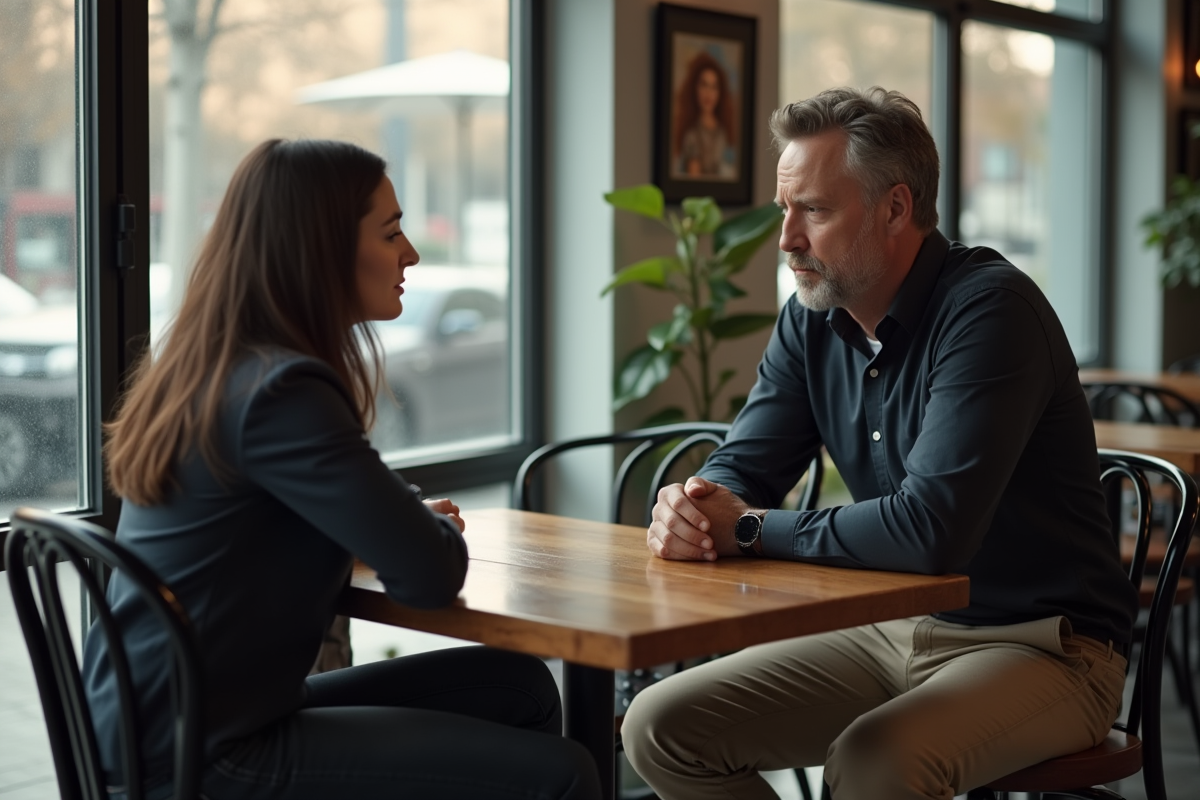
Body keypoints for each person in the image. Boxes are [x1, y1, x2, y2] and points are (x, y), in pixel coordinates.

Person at [621, 87, 1138, 800]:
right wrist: (692, 502)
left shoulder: (991, 311)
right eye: (784, 210)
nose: (787, 240)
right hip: (889, 626)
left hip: (1047, 645)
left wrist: (743, 527)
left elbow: (931, 532)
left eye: (816, 211)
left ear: (896, 208)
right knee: (660, 725)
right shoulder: (811, 317)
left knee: (874, 761)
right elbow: (746, 463)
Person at [85, 139, 601, 800]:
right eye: (391, 233)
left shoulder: (224, 365)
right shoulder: (282, 390)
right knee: (566, 776)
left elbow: (334, 510)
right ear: (319, 250)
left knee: (518, 686)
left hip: (160, 718)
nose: (410, 252)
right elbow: (427, 574)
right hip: (195, 753)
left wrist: (394, 522)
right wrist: (409, 529)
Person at [673, 51, 737, 179]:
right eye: (704, 85)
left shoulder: (723, 132)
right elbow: (694, 176)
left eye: (714, 87)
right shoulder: (691, 134)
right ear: (695, 88)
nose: (709, 93)